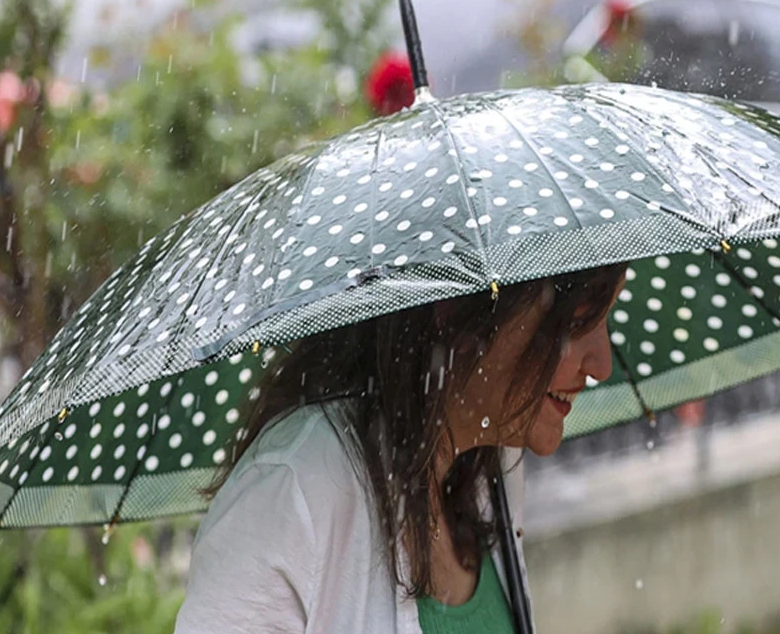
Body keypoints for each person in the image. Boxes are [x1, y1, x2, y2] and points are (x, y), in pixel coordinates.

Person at [174, 264, 627, 633]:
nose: (601, 364)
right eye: (578, 320)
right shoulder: (291, 490)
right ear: (457, 306)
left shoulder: (495, 468)